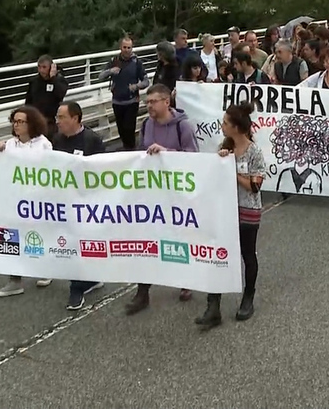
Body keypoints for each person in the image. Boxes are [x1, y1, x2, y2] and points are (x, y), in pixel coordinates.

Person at [124, 84, 200, 315]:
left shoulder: (183, 126)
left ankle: (187, 279)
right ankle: (142, 291)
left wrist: (167, 153)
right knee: (146, 239)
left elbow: (194, 159)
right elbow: (140, 154)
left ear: (167, 102)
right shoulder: (146, 125)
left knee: (179, 236)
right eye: (147, 102)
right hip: (151, 193)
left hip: (175, 195)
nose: (149, 106)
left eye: (154, 101)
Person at [197, 102, 266, 328]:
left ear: (237, 127)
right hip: (226, 209)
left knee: (247, 254)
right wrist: (220, 162)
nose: (222, 126)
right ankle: (213, 306)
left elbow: (255, 186)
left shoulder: (254, 152)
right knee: (218, 254)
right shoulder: (224, 147)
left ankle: (248, 297)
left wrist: (231, 170)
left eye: (226, 123)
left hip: (248, 211)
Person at [0, 106, 54, 298]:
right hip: (14, 199)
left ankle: (45, 269)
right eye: (15, 121)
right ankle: (14, 280)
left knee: (38, 234)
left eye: (21, 121)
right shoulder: (9, 145)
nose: (17, 125)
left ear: (31, 124)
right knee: (13, 237)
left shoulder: (43, 144)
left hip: (37, 199)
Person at [52, 101, 107, 310]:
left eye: (62, 117)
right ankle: (89, 279)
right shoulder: (57, 139)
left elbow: (103, 170)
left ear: (75, 118)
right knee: (71, 243)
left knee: (80, 243)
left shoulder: (92, 140)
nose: (58, 122)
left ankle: (77, 289)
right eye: (57, 117)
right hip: (64, 202)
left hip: (86, 204)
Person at [99, 37, 150, 150]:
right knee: (121, 129)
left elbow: (146, 81)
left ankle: (131, 150)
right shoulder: (114, 61)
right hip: (117, 101)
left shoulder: (136, 62)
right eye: (124, 47)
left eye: (129, 48)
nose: (127, 50)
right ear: (120, 48)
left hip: (132, 101)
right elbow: (100, 76)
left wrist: (136, 86)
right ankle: (126, 149)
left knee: (129, 128)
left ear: (132, 48)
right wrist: (110, 71)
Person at [25, 55, 68, 136]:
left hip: (51, 122)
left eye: (44, 67)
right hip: (36, 120)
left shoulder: (60, 81)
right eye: (39, 67)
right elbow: (28, 101)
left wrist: (52, 79)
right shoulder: (34, 82)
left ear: (51, 67)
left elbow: (60, 94)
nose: (41, 70)